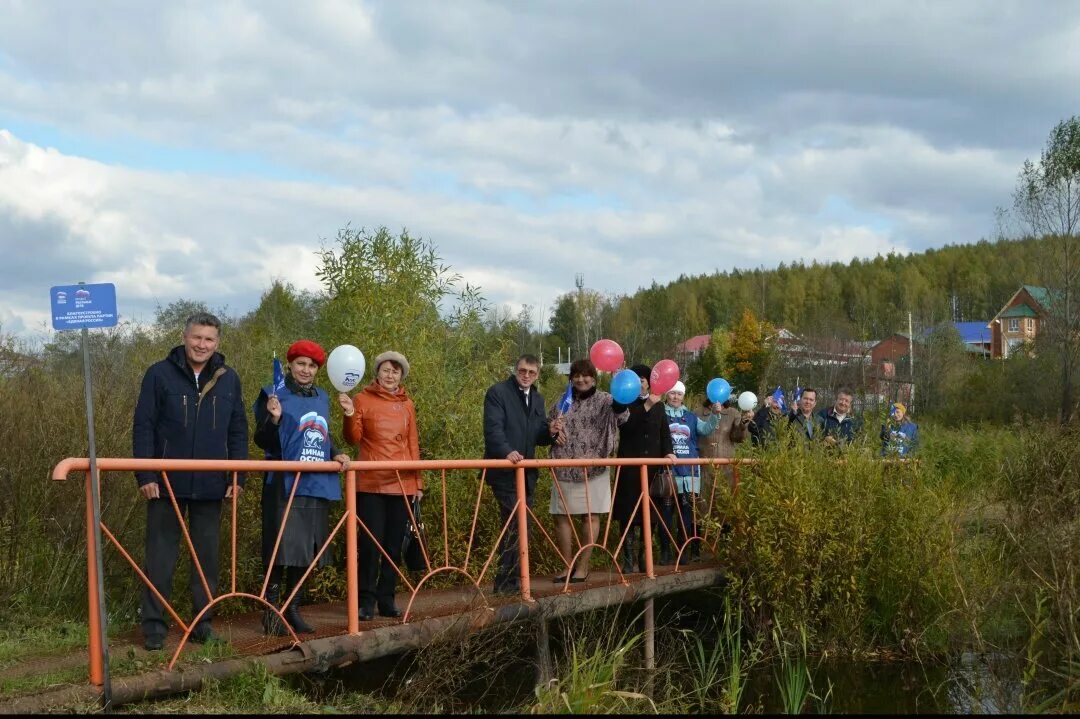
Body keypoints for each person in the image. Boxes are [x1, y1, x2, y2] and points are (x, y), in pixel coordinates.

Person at [132, 312, 249, 650]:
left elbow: (238, 430)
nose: (202, 345)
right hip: (165, 484)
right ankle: (155, 628)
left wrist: (237, 474)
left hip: (212, 485)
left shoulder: (229, 379)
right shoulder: (159, 374)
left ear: (218, 343)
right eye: (197, 338)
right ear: (184, 338)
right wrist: (146, 473)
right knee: (160, 558)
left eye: (209, 339)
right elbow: (143, 426)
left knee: (206, 560)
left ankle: (202, 624)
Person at [253, 340, 351, 636]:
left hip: (316, 483)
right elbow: (262, 440)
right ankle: (271, 612)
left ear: (317, 370)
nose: (306, 370)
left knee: (306, 549)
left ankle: (292, 608)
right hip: (283, 484)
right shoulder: (274, 393)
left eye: (311, 366)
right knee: (280, 548)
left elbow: (321, 433)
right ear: (290, 365)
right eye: (300, 364)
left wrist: (335, 452)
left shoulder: (322, 396)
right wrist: (273, 419)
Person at [341, 351, 422, 620]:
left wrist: (417, 483)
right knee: (369, 545)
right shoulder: (361, 399)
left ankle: (387, 599)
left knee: (393, 545)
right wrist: (350, 414)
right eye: (386, 370)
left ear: (401, 376)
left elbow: (412, 444)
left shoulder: (407, 404)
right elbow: (353, 439)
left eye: (395, 372)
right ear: (377, 372)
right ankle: (365, 601)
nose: (390, 375)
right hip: (371, 483)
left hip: (401, 482)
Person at [547, 359, 629, 584]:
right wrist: (551, 431)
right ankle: (566, 566)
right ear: (571, 378)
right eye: (577, 375)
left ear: (594, 378)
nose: (581, 379)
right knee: (560, 516)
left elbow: (623, 416)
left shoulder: (606, 399)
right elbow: (548, 428)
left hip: (594, 467)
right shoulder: (562, 402)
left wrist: (619, 387)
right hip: (563, 466)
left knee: (590, 516)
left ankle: (583, 567)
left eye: (586, 376)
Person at [482, 354, 558, 595]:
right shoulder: (498, 392)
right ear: (515, 370)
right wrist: (507, 452)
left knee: (520, 527)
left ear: (537, 375)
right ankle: (507, 582)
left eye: (531, 372)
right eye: (523, 371)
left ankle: (512, 580)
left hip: (527, 475)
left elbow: (538, 436)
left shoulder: (537, 398)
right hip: (504, 471)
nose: (526, 376)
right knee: (516, 524)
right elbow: (492, 429)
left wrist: (552, 431)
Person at [610, 364, 675, 574]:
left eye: (643, 380)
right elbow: (626, 426)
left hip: (653, 468)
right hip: (630, 467)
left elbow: (664, 432)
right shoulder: (623, 402)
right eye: (635, 379)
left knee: (651, 513)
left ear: (649, 382)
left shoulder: (659, 405)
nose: (639, 383)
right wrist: (646, 405)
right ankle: (628, 559)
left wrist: (668, 452)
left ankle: (644, 556)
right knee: (628, 512)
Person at [661, 382, 723, 564]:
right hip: (668, 473)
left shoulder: (691, 417)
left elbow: (706, 429)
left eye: (679, 394)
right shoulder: (660, 414)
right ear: (667, 394)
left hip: (690, 473)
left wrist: (715, 414)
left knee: (686, 515)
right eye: (672, 393)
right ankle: (664, 553)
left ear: (683, 396)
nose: (675, 397)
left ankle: (683, 553)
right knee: (666, 514)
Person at [695, 395, 750, 517]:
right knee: (702, 506)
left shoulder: (733, 413)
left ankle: (724, 533)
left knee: (724, 506)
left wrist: (742, 425)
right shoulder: (698, 412)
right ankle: (699, 534)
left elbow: (738, 438)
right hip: (703, 467)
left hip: (726, 468)